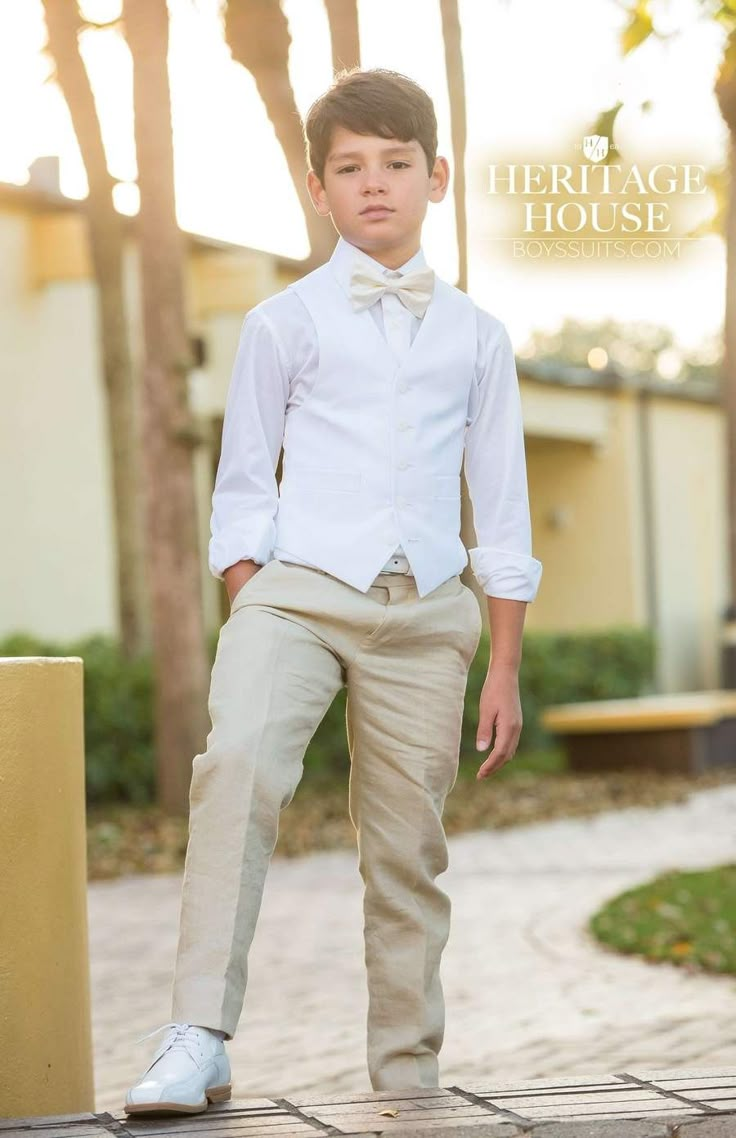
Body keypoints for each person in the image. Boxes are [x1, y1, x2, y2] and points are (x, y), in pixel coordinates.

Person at [124, 66, 542, 1117]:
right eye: (349, 168)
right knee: (240, 771)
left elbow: (499, 508)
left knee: (407, 852)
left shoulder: (479, 339)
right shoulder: (281, 323)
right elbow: (241, 484)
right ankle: (198, 1034)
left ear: (435, 177)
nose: (373, 186)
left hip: (428, 611)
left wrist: (504, 664)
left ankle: (407, 1078)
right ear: (319, 190)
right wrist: (249, 593)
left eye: (395, 164)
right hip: (296, 594)